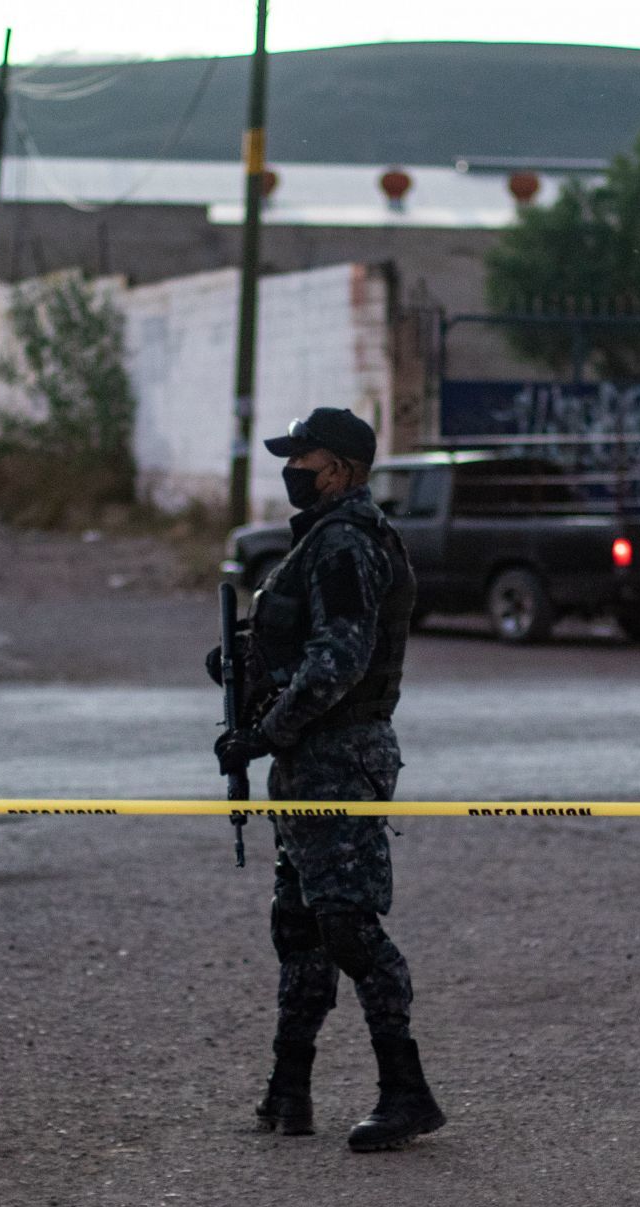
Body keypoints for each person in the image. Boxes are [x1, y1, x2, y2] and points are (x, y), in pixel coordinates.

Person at [210, 406, 444, 1153]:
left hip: (339, 758)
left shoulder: (345, 543)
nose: (292, 470)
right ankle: (290, 1087)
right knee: (300, 925)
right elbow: (305, 648)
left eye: (302, 459)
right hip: (311, 759)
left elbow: (337, 664)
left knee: (346, 924)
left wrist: (264, 733)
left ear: (338, 470)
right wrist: (247, 667)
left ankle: (407, 1092)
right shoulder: (321, 540)